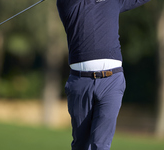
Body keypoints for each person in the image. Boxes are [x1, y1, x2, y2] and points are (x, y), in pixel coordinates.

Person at [56, 0, 151, 150]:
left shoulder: (113, 1)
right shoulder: (69, 4)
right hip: (81, 83)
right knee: (81, 144)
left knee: (100, 145)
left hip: (112, 82)